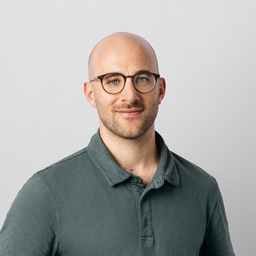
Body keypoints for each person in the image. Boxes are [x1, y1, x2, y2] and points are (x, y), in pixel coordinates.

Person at [0, 32, 235, 255]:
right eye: (113, 81)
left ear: (160, 90)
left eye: (142, 79)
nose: (130, 95)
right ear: (91, 94)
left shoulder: (203, 189)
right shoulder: (46, 191)